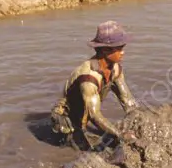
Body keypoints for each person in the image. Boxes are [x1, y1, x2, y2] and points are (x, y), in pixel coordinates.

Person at [50, 21, 137, 150]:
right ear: (105, 50)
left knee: (110, 142)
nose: (123, 52)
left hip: (85, 111)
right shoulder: (89, 78)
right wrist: (120, 135)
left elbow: (128, 101)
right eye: (119, 48)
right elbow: (95, 115)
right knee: (85, 151)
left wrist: (139, 119)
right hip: (66, 118)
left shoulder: (115, 69)